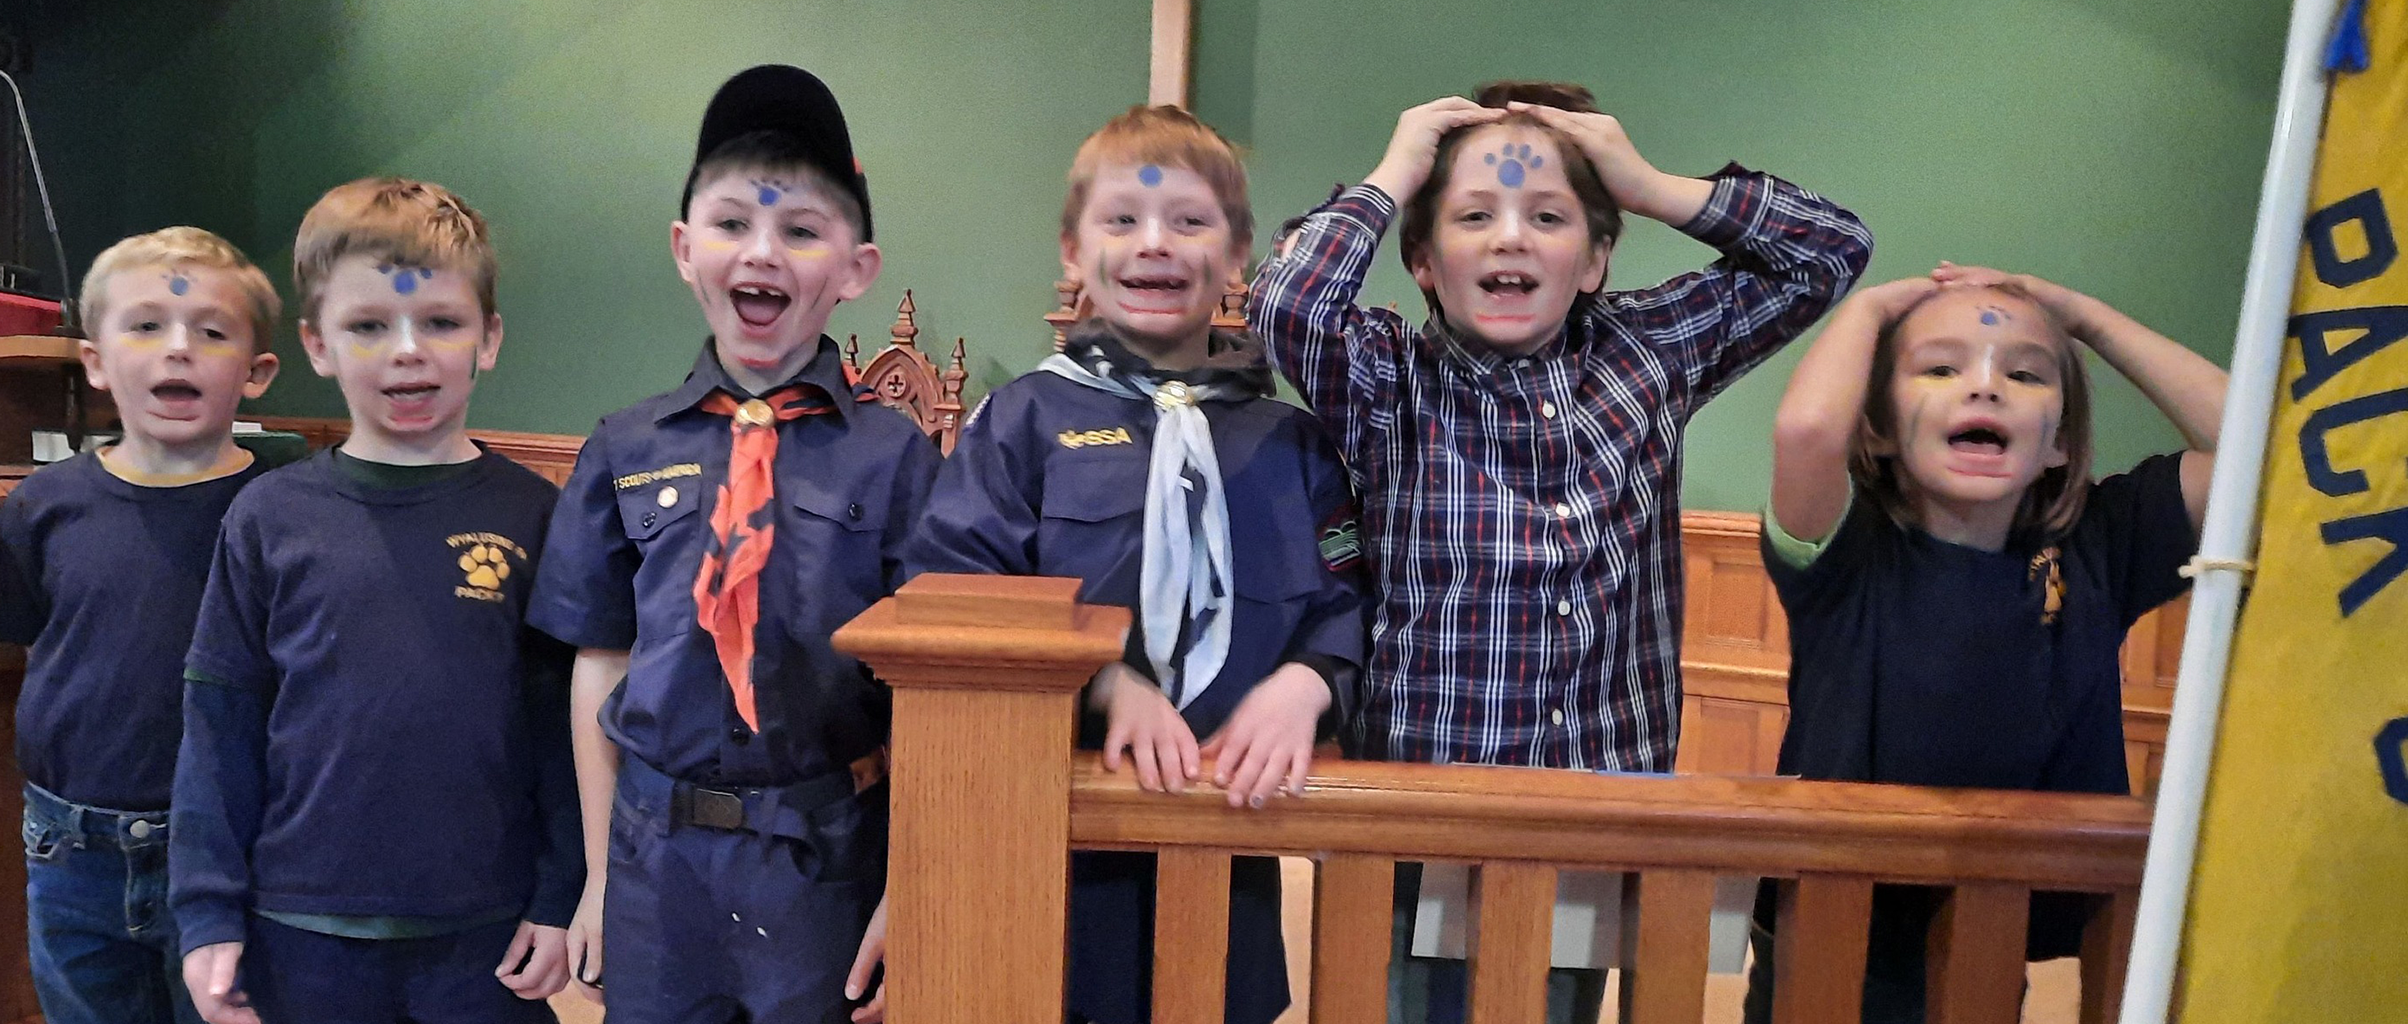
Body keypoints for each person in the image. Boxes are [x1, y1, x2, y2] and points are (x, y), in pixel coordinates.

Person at [1246, 81, 1874, 1023]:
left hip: (1592, 805)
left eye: (1548, 216)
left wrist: (1646, 181)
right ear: (1422, 260)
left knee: (1554, 1008)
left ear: (1595, 259)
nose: (1510, 238)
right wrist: (1395, 173)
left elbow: (1831, 251)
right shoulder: (1384, 377)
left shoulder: (1649, 348)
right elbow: (1285, 303)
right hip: (1421, 816)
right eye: (1472, 217)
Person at [906, 104, 1365, 1024]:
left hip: (1230, 840)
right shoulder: (1022, 424)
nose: (1155, 243)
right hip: (1056, 844)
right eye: (1122, 220)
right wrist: (1105, 683)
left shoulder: (1292, 441)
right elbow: (962, 605)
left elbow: (1345, 596)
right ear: (1073, 253)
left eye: (1190, 222)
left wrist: (1310, 687)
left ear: (1236, 256)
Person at [527, 64, 938, 1024]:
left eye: (801, 230)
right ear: (683, 248)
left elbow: (929, 693)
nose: (763, 252)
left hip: (825, 857)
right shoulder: (624, 447)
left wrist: (906, 889)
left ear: (856, 268)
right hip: (653, 860)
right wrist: (595, 877)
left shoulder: (898, 462)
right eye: (731, 224)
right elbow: (599, 658)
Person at [1745, 263, 2224, 1023]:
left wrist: (2086, 316)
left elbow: (2265, 450)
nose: (1986, 386)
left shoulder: (2099, 544)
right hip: (1836, 920)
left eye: (2026, 374)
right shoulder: (1845, 554)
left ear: (2059, 442)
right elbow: (1807, 429)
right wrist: (1870, 308)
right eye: (1940, 367)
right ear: (1874, 427)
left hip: (1995, 913)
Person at [171, 177, 580, 1023]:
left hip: (486, 929)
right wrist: (208, 910)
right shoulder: (268, 517)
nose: (407, 351)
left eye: (440, 321)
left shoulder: (535, 515)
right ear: (319, 345)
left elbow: (559, 732)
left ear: (488, 338)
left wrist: (560, 892)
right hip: (302, 925)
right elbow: (219, 727)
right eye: (368, 327)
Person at [0, 225, 282, 1024]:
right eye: (146, 325)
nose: (177, 349)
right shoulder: (40, 508)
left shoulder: (290, 510)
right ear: (94, 360)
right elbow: (36, 650)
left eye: (211, 331)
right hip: (70, 850)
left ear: (257, 372)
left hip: (234, 856)